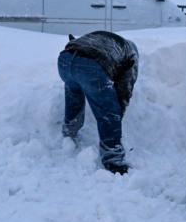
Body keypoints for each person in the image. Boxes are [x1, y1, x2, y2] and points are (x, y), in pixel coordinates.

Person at [57, 31, 138, 174]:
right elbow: (125, 88)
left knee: (74, 95)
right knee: (108, 112)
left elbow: (75, 44)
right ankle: (114, 160)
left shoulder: (105, 40)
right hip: (90, 68)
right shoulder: (130, 55)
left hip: (65, 61)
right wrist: (117, 112)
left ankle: (70, 133)